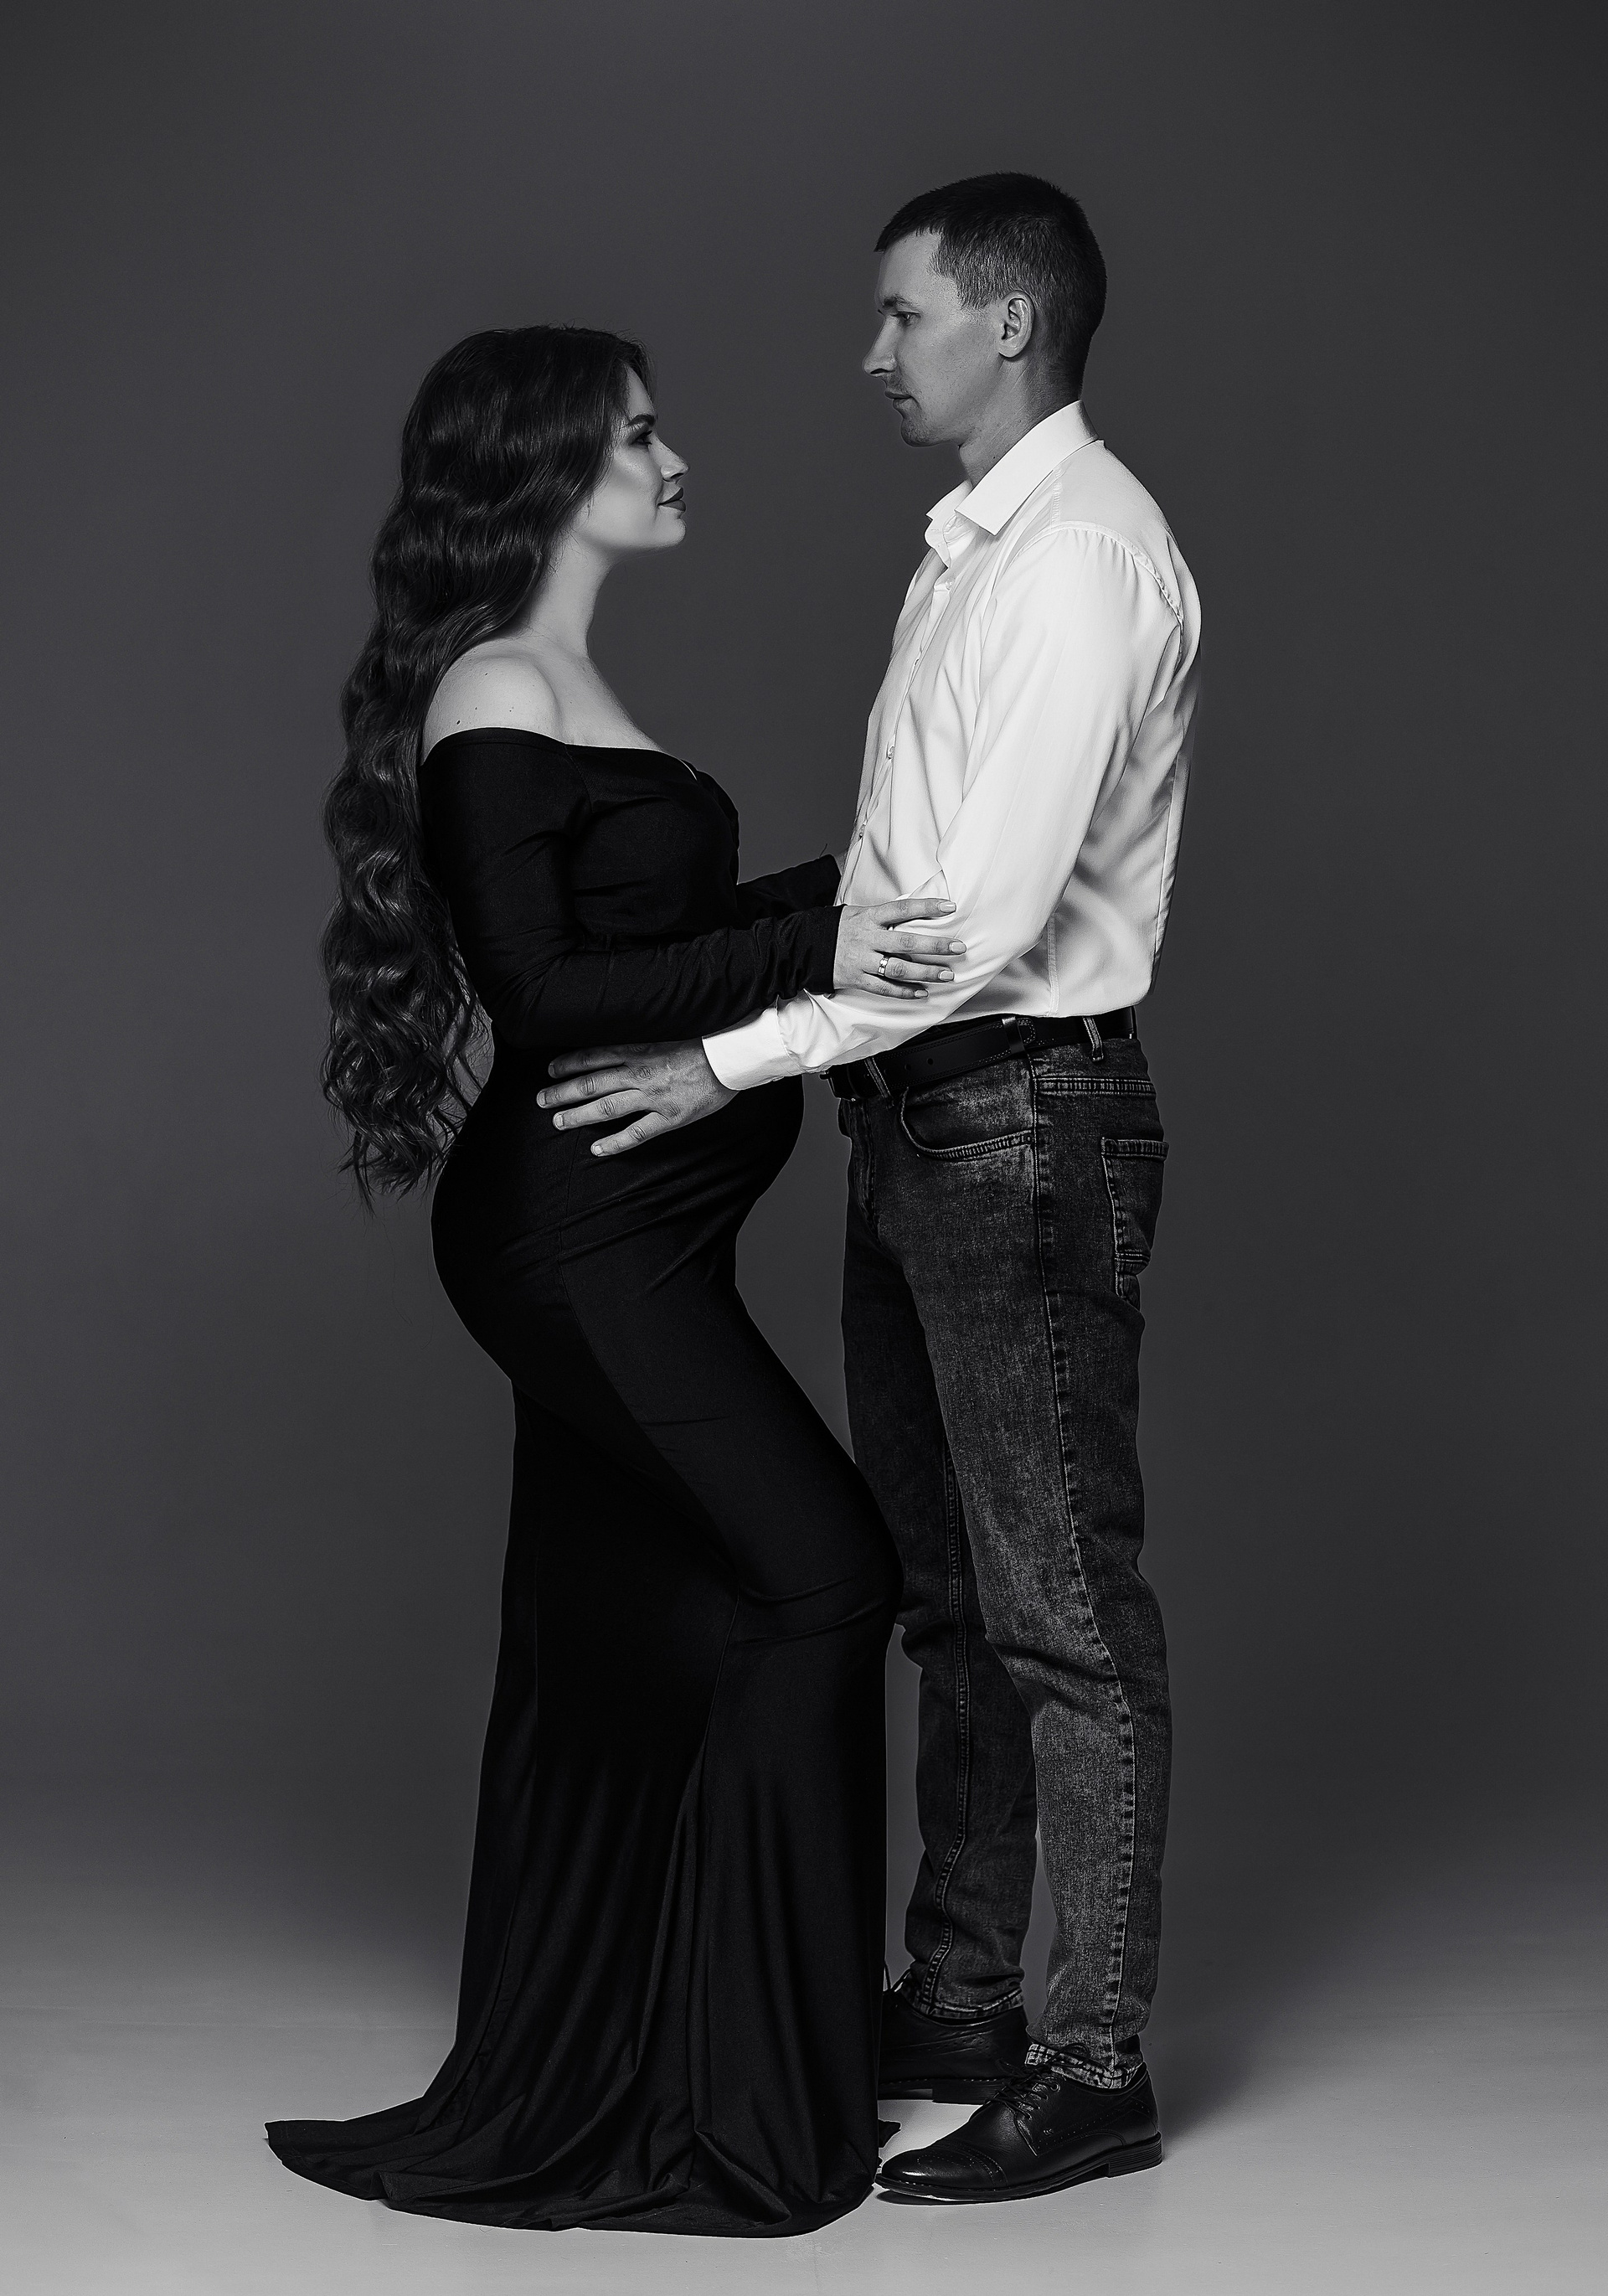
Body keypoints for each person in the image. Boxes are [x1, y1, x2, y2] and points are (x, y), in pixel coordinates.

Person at [539, 174, 1203, 2204]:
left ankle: (1091, 2064)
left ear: (1008, 323)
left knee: (1062, 1615)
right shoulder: (972, 551)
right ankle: (966, 2000)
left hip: (1020, 1115)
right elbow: (885, 893)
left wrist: (721, 1058)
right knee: (952, 1600)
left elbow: (970, 932)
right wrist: (808, 998)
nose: (871, 353)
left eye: (901, 315)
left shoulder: (1079, 561)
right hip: (922, 1117)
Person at [265, 325, 962, 2236]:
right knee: (822, 1575)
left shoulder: (562, 685)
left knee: (640, 1629)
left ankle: (649, 2050)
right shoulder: (498, 686)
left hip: (628, 1231)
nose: (673, 459)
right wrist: (816, 939)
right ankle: (748, 2095)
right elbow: (550, 990)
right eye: (639, 435)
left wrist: (850, 890)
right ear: (549, 468)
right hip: (571, 1239)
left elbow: (666, 933)